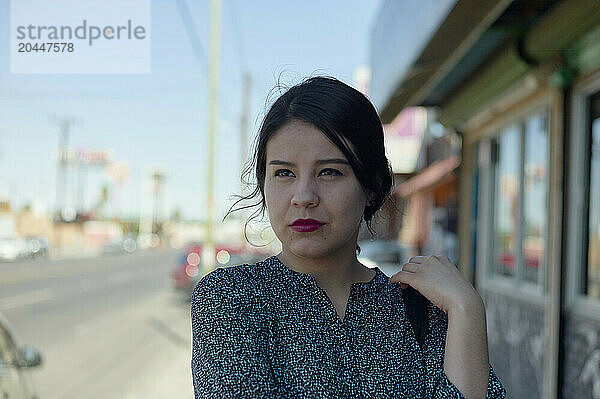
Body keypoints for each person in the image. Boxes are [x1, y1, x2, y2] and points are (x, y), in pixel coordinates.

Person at [191, 76, 506, 398]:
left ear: (370, 186)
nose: (303, 197)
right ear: (263, 184)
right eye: (284, 173)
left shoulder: (421, 309)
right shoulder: (231, 298)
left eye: (330, 172)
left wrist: (467, 308)